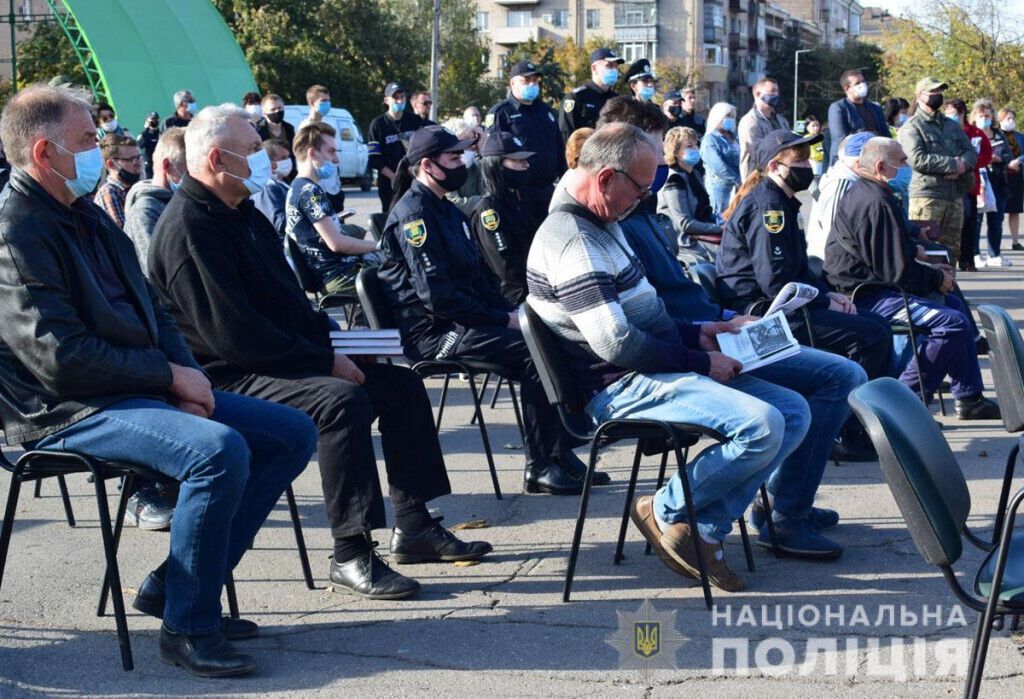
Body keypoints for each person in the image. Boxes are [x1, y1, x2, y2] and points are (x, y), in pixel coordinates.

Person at [0, 84, 317, 678]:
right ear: (45, 153)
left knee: (291, 433)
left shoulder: (85, 212)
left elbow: (156, 307)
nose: (103, 151)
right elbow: (59, 359)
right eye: (88, 141)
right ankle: (189, 626)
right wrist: (168, 377)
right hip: (65, 409)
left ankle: (176, 587)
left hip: (135, 388)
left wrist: (187, 378)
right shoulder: (15, 232)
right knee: (216, 451)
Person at [147, 104, 487, 602]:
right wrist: (325, 361)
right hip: (228, 376)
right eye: (254, 151)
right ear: (218, 158)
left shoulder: (239, 212)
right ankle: (350, 551)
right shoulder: (191, 227)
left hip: (274, 358)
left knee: (401, 386)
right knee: (339, 403)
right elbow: (235, 336)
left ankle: (414, 526)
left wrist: (343, 343)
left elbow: (289, 303)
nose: (266, 160)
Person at [528, 122, 838, 590]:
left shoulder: (601, 219)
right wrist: (702, 361)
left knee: (792, 410)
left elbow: (645, 320)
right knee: (763, 423)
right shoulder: (575, 239)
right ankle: (669, 509)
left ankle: (697, 527)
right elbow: (617, 344)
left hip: (650, 367)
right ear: (607, 178)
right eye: (640, 187)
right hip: (619, 383)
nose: (644, 199)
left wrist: (705, 333)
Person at [378, 125, 600, 495]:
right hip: (435, 334)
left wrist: (519, 316)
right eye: (454, 157)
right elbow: (438, 297)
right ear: (428, 166)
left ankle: (559, 450)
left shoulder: (445, 210)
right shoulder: (414, 216)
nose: (463, 162)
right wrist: (503, 319)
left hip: (464, 320)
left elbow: (479, 281)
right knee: (536, 352)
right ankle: (540, 464)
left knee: (548, 333)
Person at [715, 129, 893, 458]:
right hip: (762, 314)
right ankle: (846, 433)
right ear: (773, 166)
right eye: (799, 161)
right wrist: (823, 299)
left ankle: (870, 423)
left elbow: (800, 270)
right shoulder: (768, 208)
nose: (807, 166)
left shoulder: (783, 202)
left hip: (788, 304)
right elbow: (775, 281)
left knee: (877, 326)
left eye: (807, 159)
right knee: (869, 337)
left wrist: (829, 294)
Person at [824, 137, 1001, 420]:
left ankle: (969, 397)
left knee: (955, 307)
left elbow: (892, 253)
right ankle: (902, 405)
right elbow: (896, 271)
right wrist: (934, 277)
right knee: (951, 323)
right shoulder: (873, 203)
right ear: (881, 166)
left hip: (877, 286)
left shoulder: (873, 192)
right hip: (867, 295)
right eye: (902, 162)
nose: (907, 168)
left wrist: (928, 262)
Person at [287, 122, 378, 295]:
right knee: (405, 278)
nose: (336, 160)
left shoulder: (298, 187)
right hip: (337, 275)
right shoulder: (309, 191)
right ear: (313, 154)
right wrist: (380, 244)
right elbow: (337, 244)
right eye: (331, 152)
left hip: (335, 271)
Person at [897, 77, 976, 266]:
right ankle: (929, 295)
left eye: (940, 91)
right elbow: (917, 159)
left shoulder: (950, 124)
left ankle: (950, 292)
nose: (937, 95)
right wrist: (953, 165)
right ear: (920, 96)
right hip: (927, 197)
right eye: (933, 92)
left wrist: (963, 165)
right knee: (927, 249)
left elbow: (971, 151)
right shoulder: (912, 126)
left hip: (954, 194)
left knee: (951, 251)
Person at [485, 60, 566, 224]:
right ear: (513, 83)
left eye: (535, 81)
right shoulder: (501, 113)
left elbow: (558, 146)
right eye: (526, 81)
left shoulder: (545, 111)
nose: (532, 84)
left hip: (549, 189)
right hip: (520, 193)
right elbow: (494, 156)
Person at [470, 130, 538, 305]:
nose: (526, 165)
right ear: (497, 165)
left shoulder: (519, 198)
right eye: (518, 160)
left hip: (535, 288)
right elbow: (507, 268)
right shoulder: (489, 210)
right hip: (515, 299)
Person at [124, 127, 186, 272]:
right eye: (188, 171)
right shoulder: (144, 211)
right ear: (166, 165)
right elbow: (155, 272)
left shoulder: (180, 200)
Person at [806, 132, 874, 259]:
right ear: (859, 162)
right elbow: (835, 236)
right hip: (832, 264)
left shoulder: (857, 181)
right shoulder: (842, 184)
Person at [658, 126, 723, 253]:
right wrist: (719, 228)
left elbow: (704, 212)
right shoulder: (674, 178)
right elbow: (685, 224)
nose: (696, 149)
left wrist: (724, 221)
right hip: (685, 242)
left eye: (696, 145)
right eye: (689, 146)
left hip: (701, 234)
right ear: (676, 151)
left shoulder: (695, 174)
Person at [368, 82, 423, 212]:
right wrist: (394, 177)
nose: (399, 100)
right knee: (393, 216)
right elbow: (375, 159)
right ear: (387, 100)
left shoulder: (415, 120)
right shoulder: (377, 124)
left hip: (414, 179)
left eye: (402, 97)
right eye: (395, 97)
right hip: (389, 183)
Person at [972, 99, 1012, 267]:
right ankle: (974, 254)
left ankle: (994, 253)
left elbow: (1008, 155)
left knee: (996, 220)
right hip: (978, 182)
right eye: (981, 115)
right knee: (976, 219)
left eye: (987, 116)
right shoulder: (970, 133)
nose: (984, 119)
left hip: (998, 182)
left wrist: (998, 158)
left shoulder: (999, 134)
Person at [558, 47, 624, 142]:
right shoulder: (576, 97)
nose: (614, 70)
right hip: (584, 154)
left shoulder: (617, 100)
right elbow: (567, 135)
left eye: (616, 66)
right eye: (609, 65)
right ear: (594, 68)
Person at [826, 69, 889, 164]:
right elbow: (841, 139)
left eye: (863, 81)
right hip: (848, 162)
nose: (863, 85)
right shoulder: (838, 108)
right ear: (847, 88)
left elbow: (885, 135)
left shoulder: (876, 108)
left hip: (874, 161)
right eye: (857, 83)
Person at [738, 78, 790, 180]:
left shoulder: (781, 120)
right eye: (772, 91)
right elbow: (760, 153)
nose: (776, 95)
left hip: (780, 177)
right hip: (758, 179)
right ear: (758, 94)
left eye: (777, 91)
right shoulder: (750, 121)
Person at [94, 133, 141, 229]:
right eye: (131, 159)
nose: (138, 163)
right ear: (111, 164)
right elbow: (124, 236)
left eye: (138, 157)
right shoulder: (109, 193)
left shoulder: (135, 188)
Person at [701, 102, 740, 216]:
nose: (730, 119)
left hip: (736, 187)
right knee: (719, 218)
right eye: (727, 116)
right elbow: (718, 166)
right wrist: (737, 180)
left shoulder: (734, 137)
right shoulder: (710, 140)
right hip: (719, 189)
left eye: (732, 116)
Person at [442, 117, 484, 217]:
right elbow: (455, 204)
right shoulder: (444, 171)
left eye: (472, 141)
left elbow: (488, 191)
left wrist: (481, 149)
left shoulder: (475, 165)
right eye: (465, 142)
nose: (472, 147)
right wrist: (484, 201)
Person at [251, 138, 292, 238]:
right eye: (283, 158)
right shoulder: (268, 187)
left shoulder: (280, 184)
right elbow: (280, 223)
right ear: (270, 162)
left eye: (288, 157)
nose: (288, 161)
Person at [999, 107, 1024, 250]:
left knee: (1015, 210)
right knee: (997, 211)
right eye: (1008, 118)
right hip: (1000, 176)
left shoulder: (1020, 137)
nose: (1011, 121)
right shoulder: (995, 135)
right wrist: (1008, 163)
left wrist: (1018, 160)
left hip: (1017, 177)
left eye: (1013, 118)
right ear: (1000, 119)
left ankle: (1015, 241)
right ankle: (994, 243)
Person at [254, 94, 296, 172]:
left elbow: (294, 154)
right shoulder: (257, 132)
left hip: (290, 173)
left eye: (280, 108)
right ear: (264, 112)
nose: (277, 111)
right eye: (273, 109)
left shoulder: (289, 129)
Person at [802, 115, 827, 196]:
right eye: (813, 126)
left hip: (823, 166)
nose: (816, 128)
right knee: (817, 193)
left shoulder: (822, 137)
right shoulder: (805, 139)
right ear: (807, 127)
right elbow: (812, 155)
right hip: (813, 167)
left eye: (817, 125)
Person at [137, 111, 161, 179]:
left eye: (156, 119)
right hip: (148, 164)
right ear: (148, 120)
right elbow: (138, 148)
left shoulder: (161, 133)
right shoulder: (143, 135)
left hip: (159, 162)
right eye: (152, 119)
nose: (154, 121)